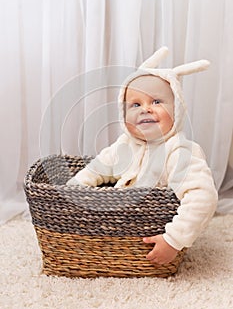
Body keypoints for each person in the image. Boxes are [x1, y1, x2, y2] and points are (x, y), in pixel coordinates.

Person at [67, 46, 218, 265]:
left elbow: (202, 196)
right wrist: (74, 189)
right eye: (136, 104)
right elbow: (100, 166)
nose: (145, 109)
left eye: (156, 102)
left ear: (177, 110)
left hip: (152, 232)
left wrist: (174, 239)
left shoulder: (180, 150)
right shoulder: (127, 144)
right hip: (120, 226)